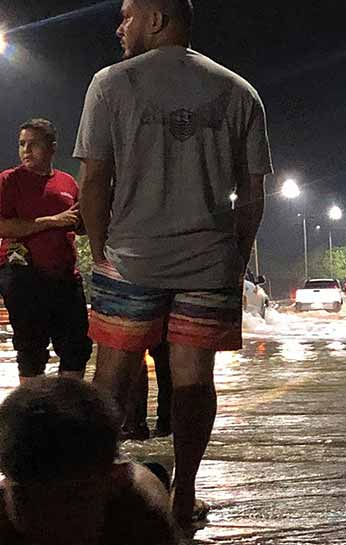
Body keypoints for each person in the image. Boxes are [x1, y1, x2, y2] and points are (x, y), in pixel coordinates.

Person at [73, 0, 272, 529]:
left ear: (157, 20)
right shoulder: (239, 90)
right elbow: (253, 194)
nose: (120, 27)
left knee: (110, 376)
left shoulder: (109, 84)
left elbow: (95, 182)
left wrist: (102, 254)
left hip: (131, 257)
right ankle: (183, 495)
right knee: (193, 379)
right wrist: (234, 256)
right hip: (209, 261)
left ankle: (94, 491)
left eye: (128, 15)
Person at [0, 377, 178, 544]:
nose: (52, 520)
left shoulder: (143, 515)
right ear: (5, 486)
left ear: (117, 478)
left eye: (71, 499)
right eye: (31, 502)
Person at [0, 118, 93, 384]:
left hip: (65, 276)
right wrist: (54, 220)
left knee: (77, 347)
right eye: (21, 144)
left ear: (52, 148)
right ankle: (32, 414)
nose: (25, 151)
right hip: (24, 275)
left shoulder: (67, 182)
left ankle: (70, 410)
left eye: (33, 144)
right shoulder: (9, 180)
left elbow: (79, 223)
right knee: (31, 349)